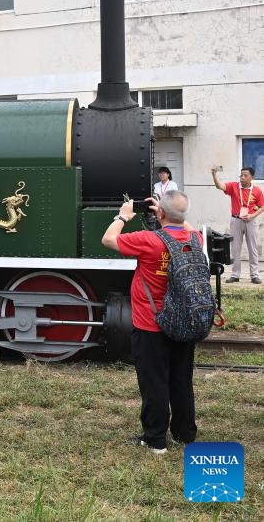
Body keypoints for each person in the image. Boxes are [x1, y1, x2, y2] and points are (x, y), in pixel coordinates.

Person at [102, 191, 200, 453]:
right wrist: (170, 213)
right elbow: (183, 224)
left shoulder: (149, 240)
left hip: (151, 324)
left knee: (154, 382)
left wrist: (123, 216)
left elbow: (108, 239)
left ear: (161, 214)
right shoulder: (194, 238)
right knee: (181, 380)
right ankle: (184, 434)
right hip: (183, 323)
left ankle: (155, 439)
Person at [212, 166, 262, 284]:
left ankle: (254, 275)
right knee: (235, 248)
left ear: (252, 177)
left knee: (253, 248)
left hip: (251, 220)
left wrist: (252, 216)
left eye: (245, 175)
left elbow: (262, 206)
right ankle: (235, 274)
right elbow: (220, 186)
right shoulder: (234, 186)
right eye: (241, 175)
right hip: (236, 220)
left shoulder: (257, 191)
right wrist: (214, 176)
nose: (242, 177)